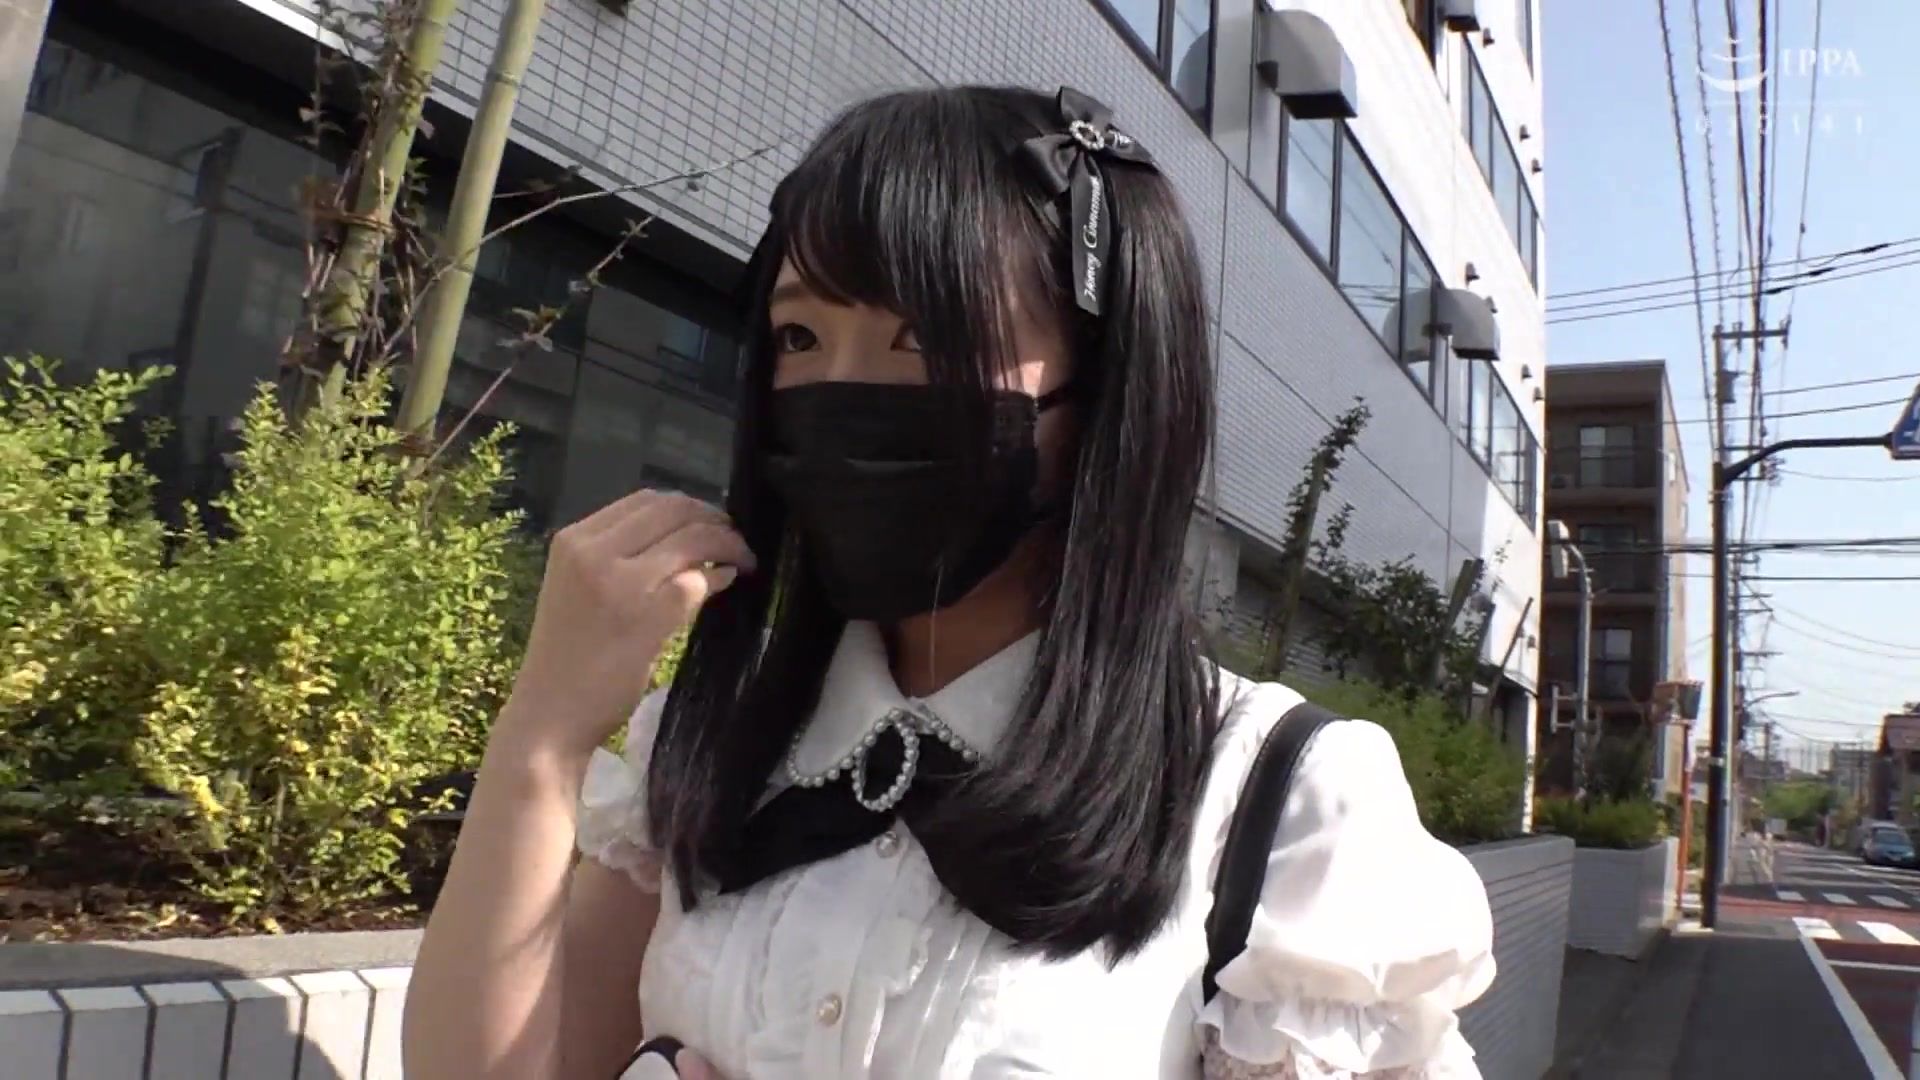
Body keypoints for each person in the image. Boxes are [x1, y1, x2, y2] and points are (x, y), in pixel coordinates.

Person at [403, 84, 1495, 1079]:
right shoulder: (708, 742)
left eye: (926, 336)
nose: (840, 392)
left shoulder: (1280, 804)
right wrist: (545, 731)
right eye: (799, 334)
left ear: (1106, 386)